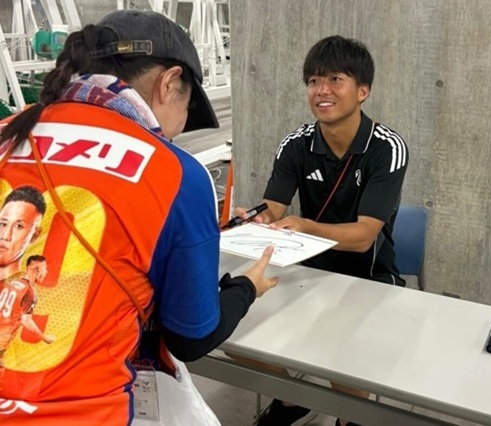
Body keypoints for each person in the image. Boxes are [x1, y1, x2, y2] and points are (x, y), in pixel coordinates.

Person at [0, 10, 277, 425]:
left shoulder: (10, 132)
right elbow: (192, 336)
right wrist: (246, 287)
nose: (178, 130)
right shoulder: (174, 172)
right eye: (187, 108)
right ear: (169, 82)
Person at [235, 35, 409, 426]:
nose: (321, 90)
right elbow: (273, 208)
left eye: (334, 79)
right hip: (307, 268)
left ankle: (350, 417)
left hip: (369, 274)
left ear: (362, 91)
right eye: (313, 81)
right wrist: (256, 219)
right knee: (231, 325)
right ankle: (291, 399)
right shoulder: (296, 144)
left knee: (339, 350)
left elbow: (364, 237)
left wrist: (305, 225)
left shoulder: (387, 148)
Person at [0, 190, 53, 382]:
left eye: (19, 226)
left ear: (34, 235)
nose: (5, 236)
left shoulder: (26, 289)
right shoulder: (25, 288)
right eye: (3, 224)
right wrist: (44, 337)